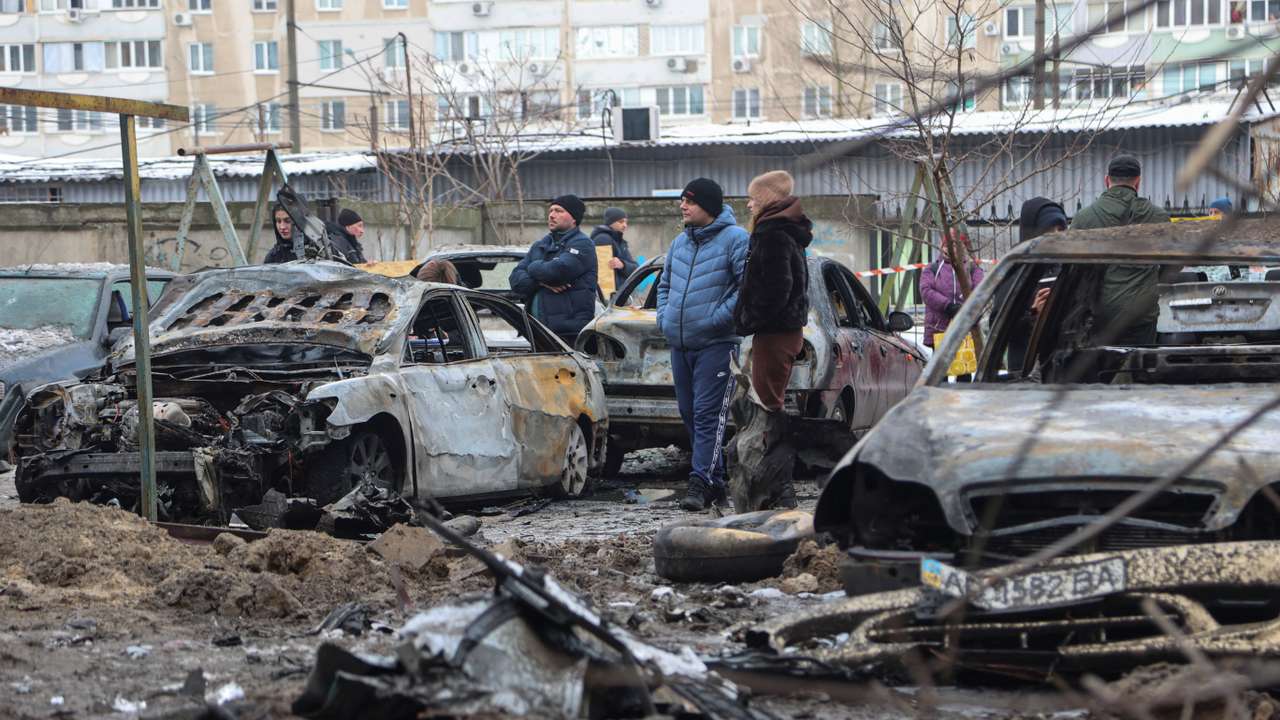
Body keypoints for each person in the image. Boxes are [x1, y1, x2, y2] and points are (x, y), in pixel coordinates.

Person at [656, 178, 749, 511]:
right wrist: (664, 318)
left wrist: (715, 320)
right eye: (681, 200)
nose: (683, 206)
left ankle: (699, 482)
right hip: (681, 344)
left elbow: (745, 288)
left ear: (708, 207)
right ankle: (714, 479)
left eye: (690, 202)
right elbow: (664, 286)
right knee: (689, 413)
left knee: (708, 414)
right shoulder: (679, 243)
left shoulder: (736, 239)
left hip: (717, 343)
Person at [1069, 154, 1171, 345]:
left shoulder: (1084, 218)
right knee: (1139, 370)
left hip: (1099, 315)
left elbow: (1071, 269)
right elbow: (1172, 264)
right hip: (1141, 316)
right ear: (1138, 182)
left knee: (1100, 371)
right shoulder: (1158, 217)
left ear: (1107, 180)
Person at [734, 170, 811, 414]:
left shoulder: (773, 235)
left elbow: (778, 288)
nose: (749, 204)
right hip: (780, 332)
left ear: (766, 199)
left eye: (753, 199)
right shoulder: (783, 231)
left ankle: (769, 452)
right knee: (768, 402)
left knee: (766, 406)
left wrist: (750, 318)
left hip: (774, 333)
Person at [508, 194, 599, 346]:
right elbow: (516, 281)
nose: (551, 215)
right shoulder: (540, 245)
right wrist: (541, 282)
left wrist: (532, 267)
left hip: (568, 334)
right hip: (536, 332)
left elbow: (556, 273)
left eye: (558, 211)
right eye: (550, 211)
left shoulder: (583, 244)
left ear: (574, 218)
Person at [1006, 197, 1068, 371]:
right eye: (1049, 229)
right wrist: (1033, 312)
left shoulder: (1067, 267)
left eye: (1061, 229)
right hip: (1025, 371)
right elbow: (1000, 329)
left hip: (1060, 370)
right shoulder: (1015, 270)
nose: (1056, 235)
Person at [920, 229, 983, 353]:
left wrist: (968, 308)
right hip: (939, 328)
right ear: (942, 247)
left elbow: (980, 291)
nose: (952, 248)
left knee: (964, 370)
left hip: (965, 327)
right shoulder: (932, 269)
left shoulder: (973, 269)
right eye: (948, 244)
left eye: (956, 244)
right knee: (941, 370)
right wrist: (948, 306)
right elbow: (926, 291)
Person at [590, 207, 640, 291]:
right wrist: (608, 301)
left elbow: (636, 269)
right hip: (612, 297)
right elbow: (604, 279)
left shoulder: (619, 241)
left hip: (620, 295)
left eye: (626, 222)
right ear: (610, 223)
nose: (625, 225)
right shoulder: (603, 239)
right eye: (621, 222)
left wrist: (623, 265)